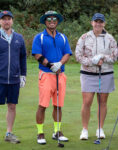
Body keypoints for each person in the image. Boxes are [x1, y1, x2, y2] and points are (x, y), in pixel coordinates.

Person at [75, 13, 118, 140]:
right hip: (88, 73)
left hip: (105, 73)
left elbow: (115, 57)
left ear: (104, 23)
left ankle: (100, 129)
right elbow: (78, 55)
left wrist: (103, 58)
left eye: (101, 22)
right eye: (96, 21)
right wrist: (91, 61)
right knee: (87, 102)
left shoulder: (110, 38)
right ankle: (85, 130)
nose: (98, 24)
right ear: (92, 22)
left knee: (102, 102)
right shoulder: (84, 37)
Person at [32, 10, 72, 145]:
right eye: (49, 19)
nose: (52, 21)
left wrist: (60, 63)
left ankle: (57, 131)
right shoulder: (40, 37)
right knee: (43, 105)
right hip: (46, 75)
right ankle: (40, 132)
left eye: (54, 19)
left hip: (60, 75)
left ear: (57, 21)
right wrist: (50, 65)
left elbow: (67, 53)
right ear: (45, 21)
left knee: (58, 105)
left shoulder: (63, 37)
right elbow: (37, 55)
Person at [0, 10, 27, 144]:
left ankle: (9, 133)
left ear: (12, 21)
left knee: (12, 106)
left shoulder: (19, 38)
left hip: (14, 79)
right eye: (3, 19)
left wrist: (23, 75)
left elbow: (23, 58)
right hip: (0, 78)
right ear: (0, 21)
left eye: (8, 19)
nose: (6, 21)